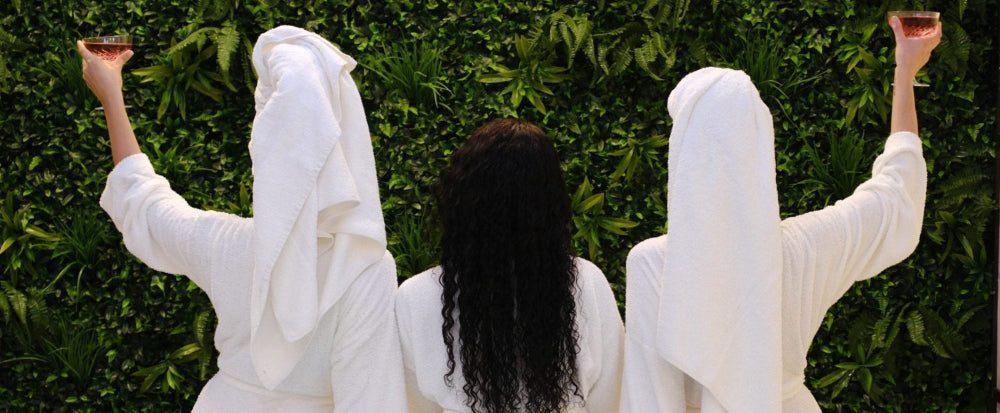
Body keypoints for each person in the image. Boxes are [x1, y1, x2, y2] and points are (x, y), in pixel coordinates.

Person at [619, 16, 940, 413]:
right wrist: (904, 71)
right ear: (759, 143)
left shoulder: (652, 263)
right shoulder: (805, 247)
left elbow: (650, 401)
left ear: (681, 150)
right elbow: (896, 191)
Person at [78, 26, 405, 412]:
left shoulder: (229, 243)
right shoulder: (366, 266)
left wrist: (112, 96)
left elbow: (143, 200)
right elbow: (369, 402)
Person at [395, 119, 624, 413]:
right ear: (552, 203)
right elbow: (612, 400)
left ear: (461, 201)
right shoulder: (587, 283)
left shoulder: (415, 296)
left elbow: (413, 406)